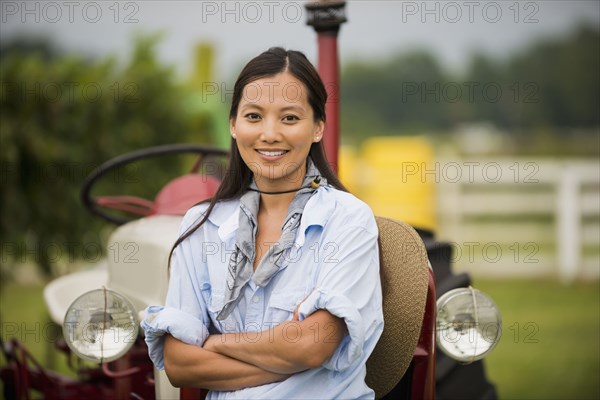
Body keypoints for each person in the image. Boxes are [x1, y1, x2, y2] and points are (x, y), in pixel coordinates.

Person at [141, 47, 383, 399]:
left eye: (289, 118)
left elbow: (312, 347)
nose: (269, 134)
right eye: (254, 116)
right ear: (233, 126)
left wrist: (213, 344)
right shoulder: (201, 224)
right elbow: (180, 364)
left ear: (318, 128)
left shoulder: (348, 220)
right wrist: (283, 351)